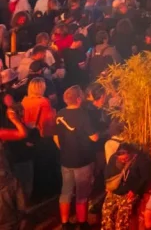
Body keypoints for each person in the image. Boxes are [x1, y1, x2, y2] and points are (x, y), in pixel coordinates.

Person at [54, 85, 100, 228]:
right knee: (82, 194)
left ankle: (64, 223)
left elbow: (55, 137)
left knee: (66, 192)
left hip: (66, 160)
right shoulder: (83, 114)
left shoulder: (60, 113)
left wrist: (64, 150)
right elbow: (94, 138)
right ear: (79, 99)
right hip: (82, 161)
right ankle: (82, 222)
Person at [102, 144, 148, 230]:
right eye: (121, 159)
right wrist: (108, 186)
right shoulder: (113, 159)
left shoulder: (140, 160)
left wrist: (135, 191)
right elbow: (107, 173)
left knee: (122, 216)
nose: (123, 161)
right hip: (115, 190)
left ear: (131, 154)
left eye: (126, 159)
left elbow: (145, 178)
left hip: (130, 192)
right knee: (107, 212)